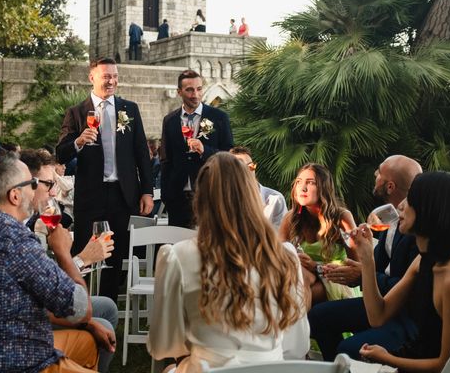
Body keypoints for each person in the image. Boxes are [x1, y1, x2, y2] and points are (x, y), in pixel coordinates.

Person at [148, 153, 309, 371]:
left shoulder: (178, 256)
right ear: (253, 195)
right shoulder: (286, 256)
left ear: (201, 201)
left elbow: (163, 346)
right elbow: (297, 346)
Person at [0, 153, 98, 372]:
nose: (35, 189)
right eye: (33, 183)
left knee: (88, 342)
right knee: (94, 328)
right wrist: (63, 253)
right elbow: (80, 309)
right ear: (15, 196)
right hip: (18, 360)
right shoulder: (13, 239)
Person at [351, 171, 450, 372]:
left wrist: (388, 359)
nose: (400, 205)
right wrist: (367, 260)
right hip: (414, 356)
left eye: (411, 200)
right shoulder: (423, 260)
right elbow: (378, 316)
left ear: (431, 210)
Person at [56, 57, 153, 302]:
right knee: (84, 252)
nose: (111, 80)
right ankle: (80, 306)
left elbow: (141, 151)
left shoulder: (129, 110)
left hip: (123, 195)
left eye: (115, 76)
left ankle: (107, 312)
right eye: (106, 76)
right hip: (91, 195)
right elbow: (61, 152)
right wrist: (78, 141)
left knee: (115, 256)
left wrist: (147, 191)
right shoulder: (77, 112)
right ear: (92, 78)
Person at [309, 155, 421, 361]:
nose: (375, 174)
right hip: (380, 303)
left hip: (407, 316)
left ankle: (349, 363)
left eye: (379, 172)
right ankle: (337, 366)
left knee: (349, 348)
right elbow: (374, 266)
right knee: (317, 317)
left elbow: (412, 288)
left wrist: (363, 274)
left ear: (390, 186)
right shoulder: (389, 216)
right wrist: (346, 269)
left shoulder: (416, 230)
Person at [20, 149, 117, 373]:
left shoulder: (27, 223)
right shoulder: (17, 235)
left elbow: (41, 280)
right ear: (26, 186)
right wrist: (80, 259)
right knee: (101, 323)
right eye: (49, 184)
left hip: (30, 311)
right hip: (25, 333)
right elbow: (73, 305)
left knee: (108, 307)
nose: (55, 193)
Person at [160, 69, 233, 228]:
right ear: (179, 92)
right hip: (177, 199)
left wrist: (204, 150)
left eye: (199, 89)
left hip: (209, 196)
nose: (195, 94)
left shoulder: (219, 117)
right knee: (178, 247)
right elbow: (166, 159)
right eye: (189, 90)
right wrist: (167, 195)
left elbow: (229, 156)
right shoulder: (170, 120)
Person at [279, 163, 359, 307]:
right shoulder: (291, 218)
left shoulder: (341, 218)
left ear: (324, 188)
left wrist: (316, 266)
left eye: (310, 183)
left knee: (296, 295)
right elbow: (277, 256)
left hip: (337, 281)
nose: (302, 188)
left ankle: (295, 327)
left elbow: (356, 268)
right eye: (298, 182)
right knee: (298, 279)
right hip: (303, 277)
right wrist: (293, 258)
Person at [230, 146, 287, 230]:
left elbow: (281, 237)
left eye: (251, 166)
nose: (248, 170)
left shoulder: (275, 199)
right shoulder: (221, 200)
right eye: (240, 166)